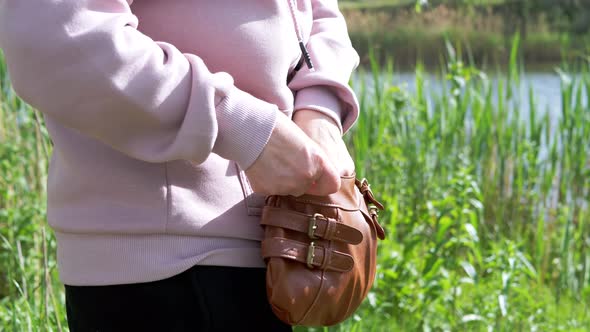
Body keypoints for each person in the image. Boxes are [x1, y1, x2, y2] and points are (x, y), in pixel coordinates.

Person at [0, 0, 360, 330]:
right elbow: (56, 36)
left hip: (264, 255)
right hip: (163, 269)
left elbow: (316, 10)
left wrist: (320, 108)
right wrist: (245, 128)